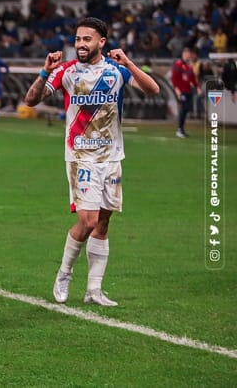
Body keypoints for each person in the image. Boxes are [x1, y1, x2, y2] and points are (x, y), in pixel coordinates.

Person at [24, 17, 160, 307]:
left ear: (102, 42)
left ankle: (94, 290)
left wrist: (129, 63)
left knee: (104, 222)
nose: (81, 44)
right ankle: (64, 273)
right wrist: (43, 72)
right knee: (87, 221)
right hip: (80, 156)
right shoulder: (66, 71)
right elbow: (31, 100)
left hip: (112, 159)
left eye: (87, 39)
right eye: (77, 39)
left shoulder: (116, 71)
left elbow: (153, 90)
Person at [171, 47, 201, 138]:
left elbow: (192, 78)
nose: (188, 56)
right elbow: (174, 78)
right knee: (183, 109)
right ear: (183, 54)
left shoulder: (189, 66)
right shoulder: (178, 64)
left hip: (188, 90)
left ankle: (182, 129)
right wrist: (177, 89)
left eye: (189, 54)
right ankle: (179, 129)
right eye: (187, 54)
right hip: (182, 91)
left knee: (187, 109)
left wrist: (197, 87)